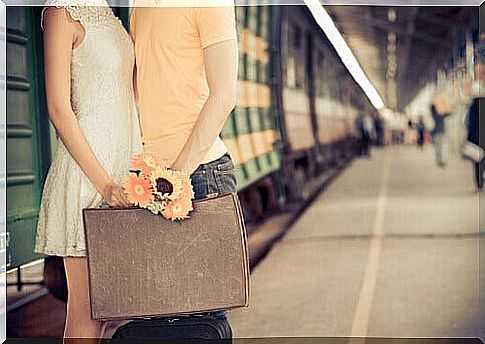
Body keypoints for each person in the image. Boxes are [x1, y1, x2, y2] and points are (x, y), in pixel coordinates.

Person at [34, 0, 142, 341]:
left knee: (114, 312)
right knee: (88, 310)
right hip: (90, 176)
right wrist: (106, 184)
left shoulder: (109, 12)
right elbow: (58, 107)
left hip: (123, 171)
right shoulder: (60, 12)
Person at [129, 0, 238, 322]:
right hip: (151, 178)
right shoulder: (138, 5)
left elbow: (224, 94)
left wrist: (176, 176)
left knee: (204, 318)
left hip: (200, 174)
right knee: (160, 315)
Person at [465, 97, 484, 190]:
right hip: (478, 138)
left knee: (477, 161)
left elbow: (468, 122)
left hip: (476, 138)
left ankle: (479, 184)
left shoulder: (474, 104)